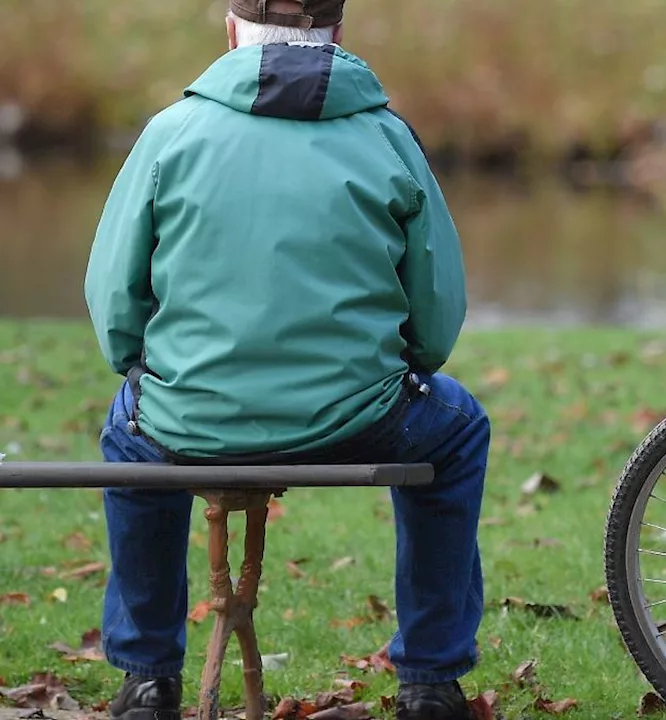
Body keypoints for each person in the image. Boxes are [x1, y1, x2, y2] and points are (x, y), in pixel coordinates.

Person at [83, 1, 487, 718]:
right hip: (360, 421)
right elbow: (437, 316)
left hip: (189, 417)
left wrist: (140, 367)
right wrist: (405, 365)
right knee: (458, 429)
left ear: (232, 32)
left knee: (129, 433)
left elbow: (115, 300)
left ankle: (147, 675)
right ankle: (429, 680)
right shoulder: (389, 139)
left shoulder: (170, 133)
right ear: (338, 35)